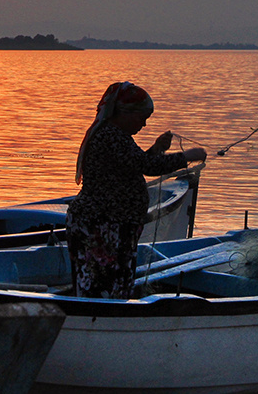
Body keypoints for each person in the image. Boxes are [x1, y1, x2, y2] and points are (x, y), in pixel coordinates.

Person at [67, 81, 207, 298]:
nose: (143, 124)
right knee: (101, 288)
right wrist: (186, 157)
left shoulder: (117, 136)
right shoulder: (110, 136)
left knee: (111, 284)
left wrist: (158, 148)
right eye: (141, 117)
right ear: (122, 112)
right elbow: (147, 166)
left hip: (113, 225)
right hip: (101, 225)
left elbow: (136, 163)